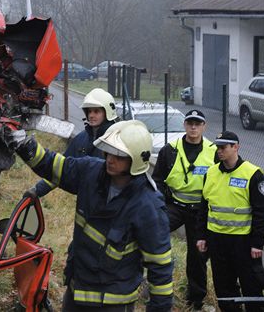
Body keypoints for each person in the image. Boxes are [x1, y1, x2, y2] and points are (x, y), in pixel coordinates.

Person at [11, 120, 173, 311]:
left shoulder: (148, 206)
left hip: (112, 305)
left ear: (137, 159)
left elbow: (160, 266)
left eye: (119, 155)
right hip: (76, 292)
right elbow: (52, 165)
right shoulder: (91, 171)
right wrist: (23, 144)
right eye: (108, 151)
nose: (110, 159)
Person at [151, 109, 217, 309]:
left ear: (204, 126)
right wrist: (161, 205)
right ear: (185, 125)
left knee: (197, 255)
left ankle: (195, 299)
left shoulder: (213, 151)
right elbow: (158, 180)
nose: (194, 127)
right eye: (190, 123)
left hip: (200, 211)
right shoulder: (170, 150)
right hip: (175, 207)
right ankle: (151, 282)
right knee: (151, 232)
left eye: (198, 123)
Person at [196, 131, 264, 312]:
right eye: (218, 147)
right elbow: (203, 208)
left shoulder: (253, 174)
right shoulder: (211, 173)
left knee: (251, 285)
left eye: (223, 147)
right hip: (217, 240)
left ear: (236, 147)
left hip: (243, 242)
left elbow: (261, 212)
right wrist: (201, 236)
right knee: (223, 285)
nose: (219, 151)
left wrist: (258, 243)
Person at [29, 88, 119, 198]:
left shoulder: (117, 141)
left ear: (107, 113)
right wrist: (37, 190)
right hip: (86, 201)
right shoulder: (81, 139)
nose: (91, 115)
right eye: (89, 111)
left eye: (96, 111)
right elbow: (62, 169)